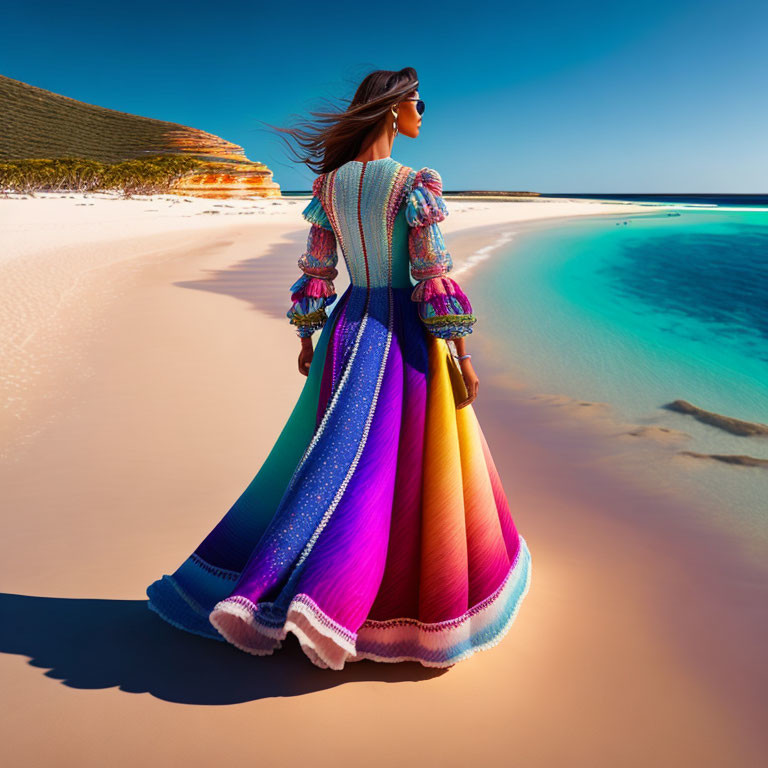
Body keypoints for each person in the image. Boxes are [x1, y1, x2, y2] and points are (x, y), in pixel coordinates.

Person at [146, 67, 531, 670]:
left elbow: (318, 273)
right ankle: (346, 599)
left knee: (335, 459)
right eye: (418, 103)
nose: (423, 115)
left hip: (347, 330)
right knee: (399, 466)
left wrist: (307, 336)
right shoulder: (411, 184)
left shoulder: (328, 189)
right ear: (392, 109)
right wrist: (462, 352)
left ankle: (298, 583)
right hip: (403, 335)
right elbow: (431, 275)